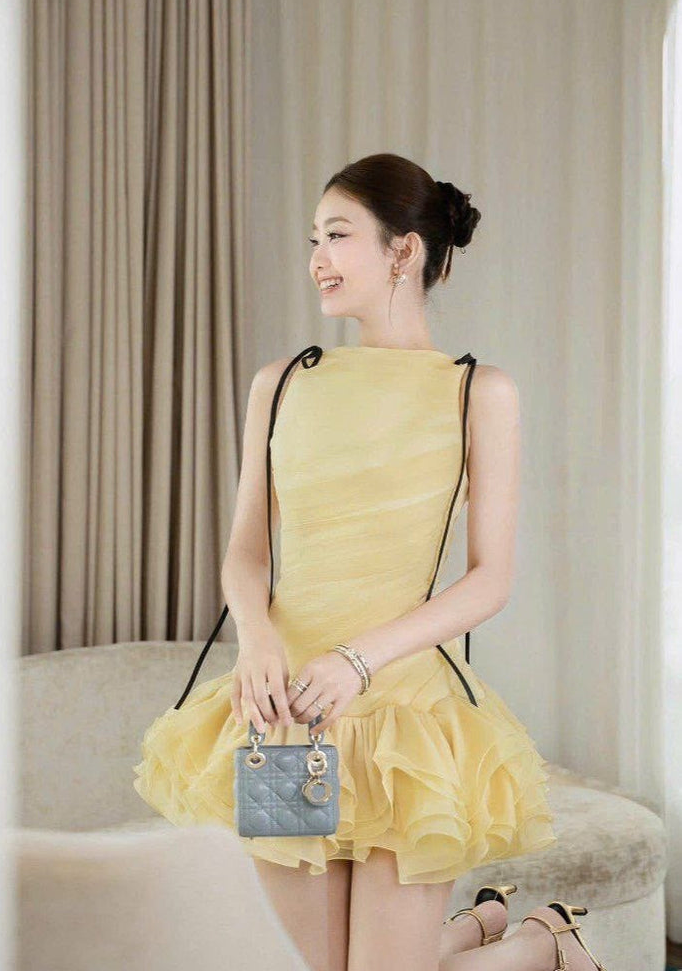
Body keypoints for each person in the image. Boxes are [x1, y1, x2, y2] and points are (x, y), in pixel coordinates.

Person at [133, 153, 608, 971]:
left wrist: (358, 659)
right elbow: (246, 549)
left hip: (405, 720)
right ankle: (505, 933)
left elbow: (489, 578)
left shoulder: (477, 392)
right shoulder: (281, 382)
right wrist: (255, 640)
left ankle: (536, 942)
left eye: (337, 235)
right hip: (283, 719)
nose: (317, 258)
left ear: (403, 251)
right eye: (313, 239)